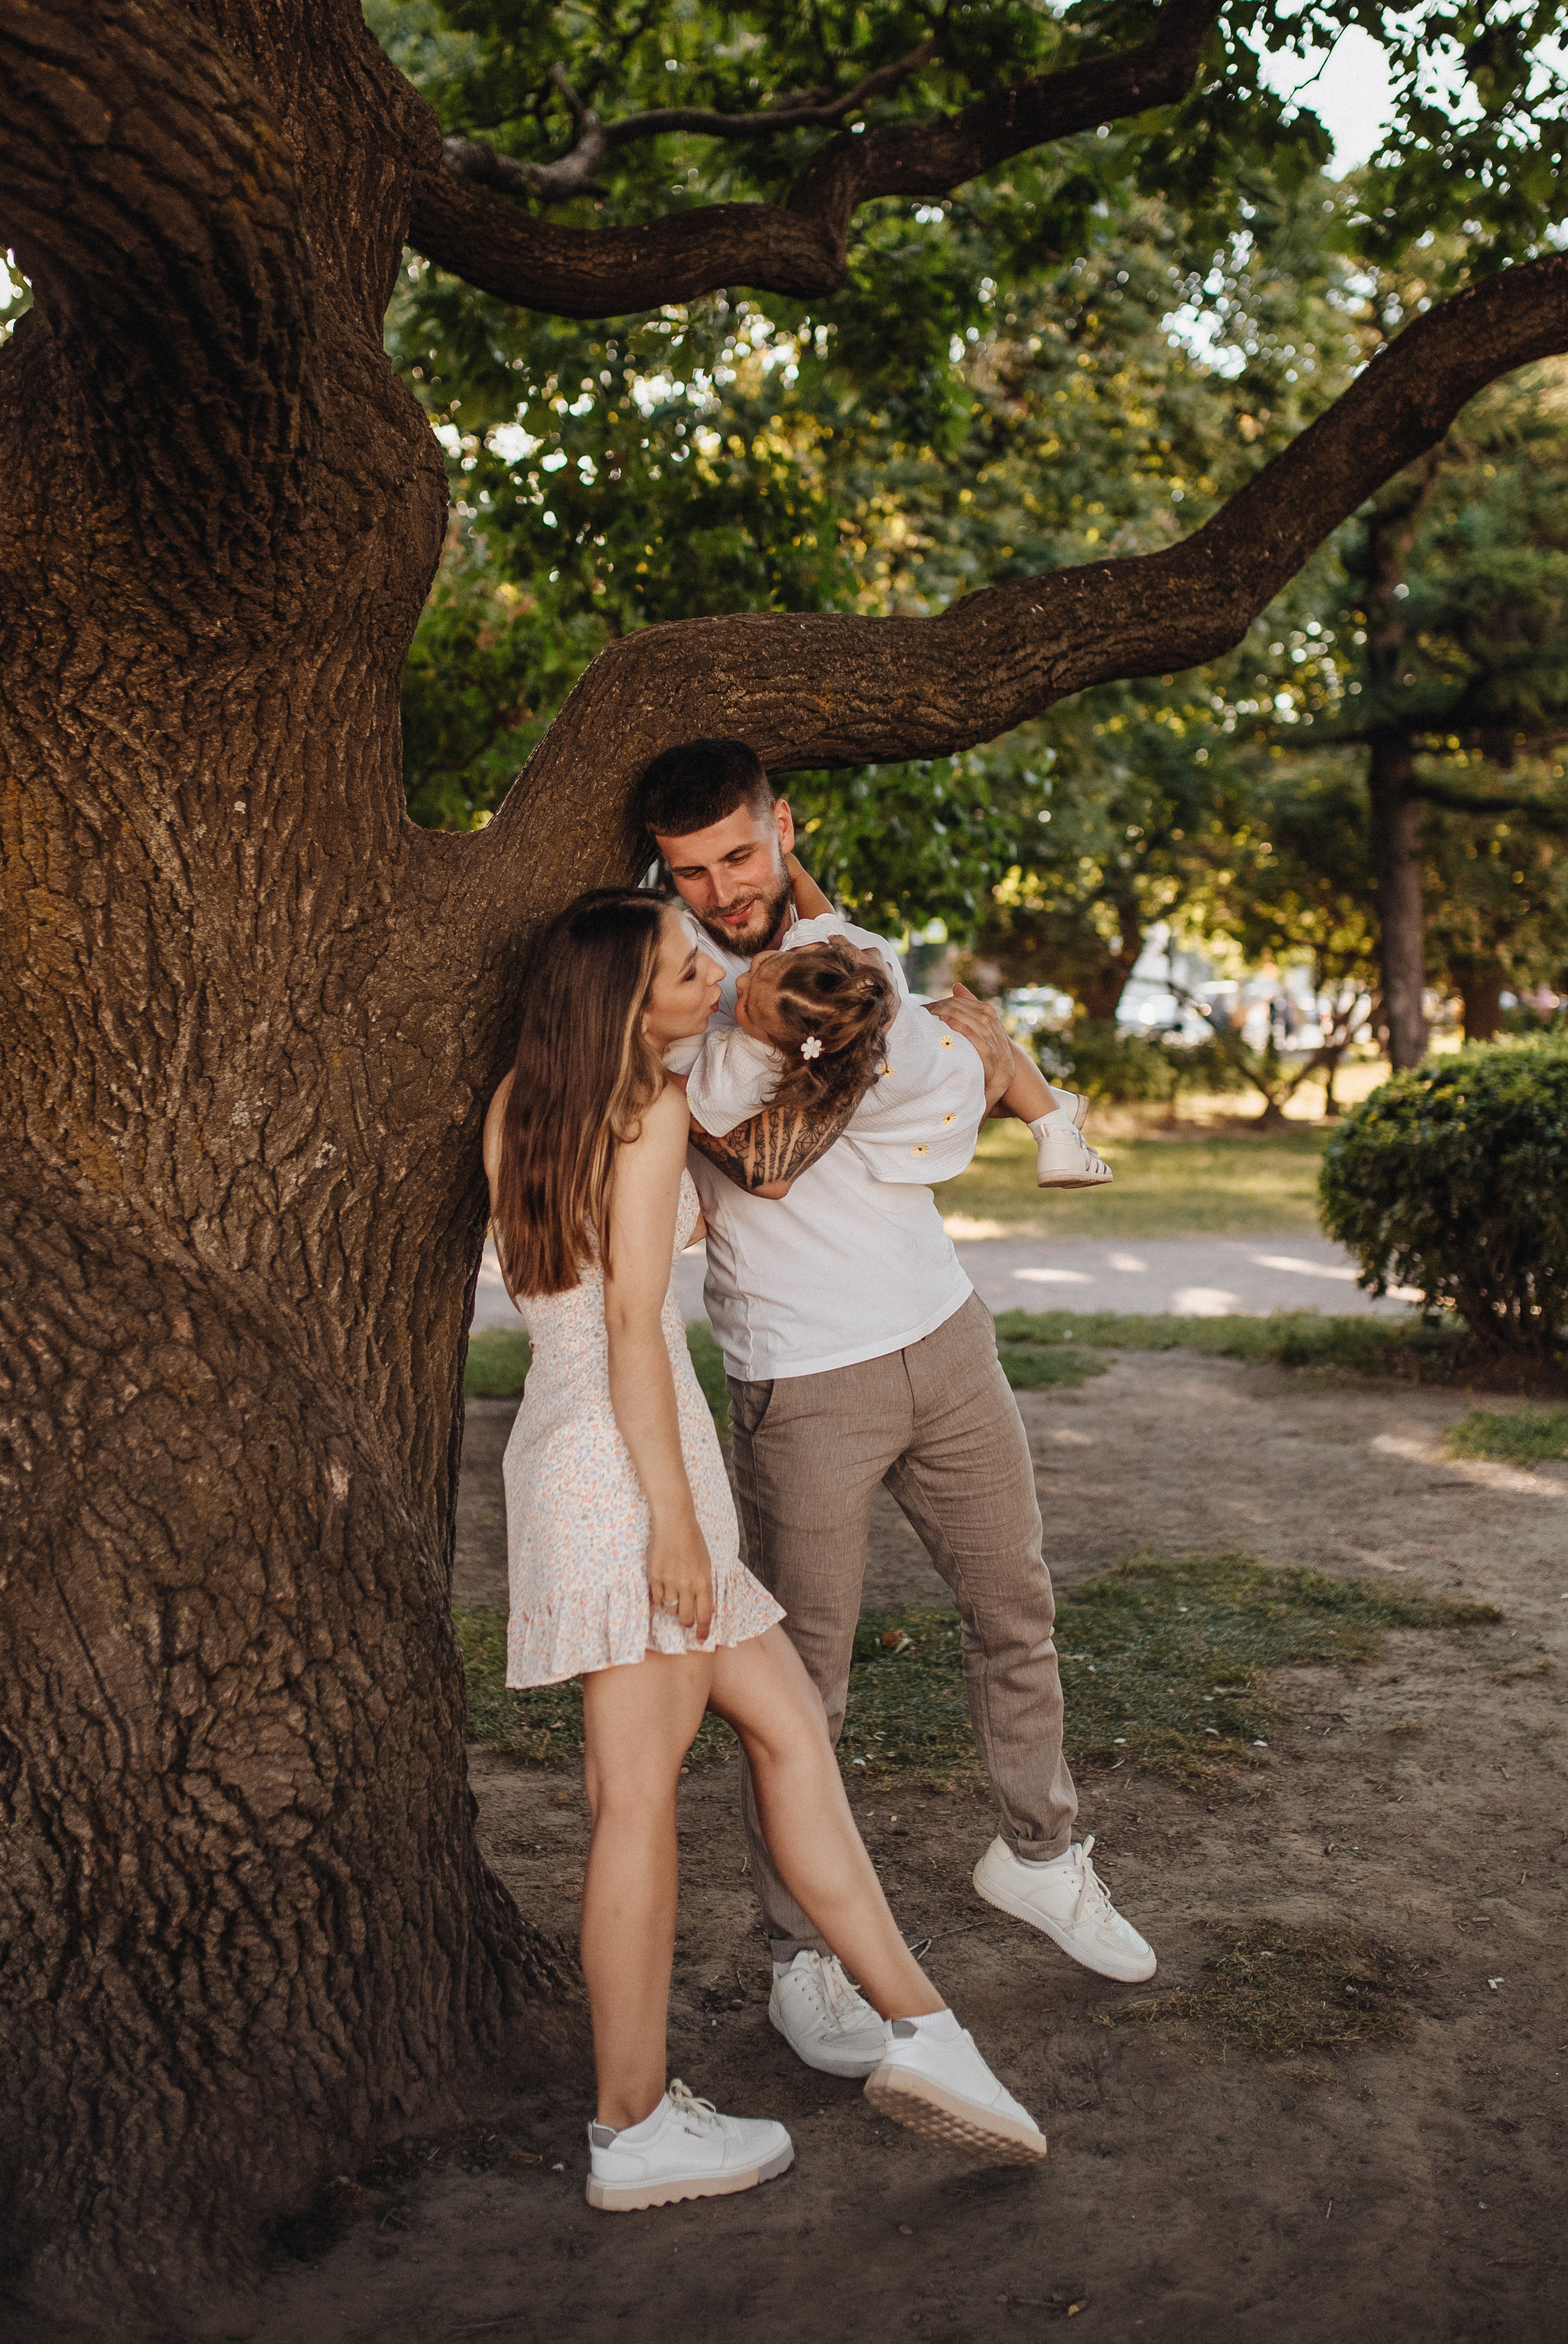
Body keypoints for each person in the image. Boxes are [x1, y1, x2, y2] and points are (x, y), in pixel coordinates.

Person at [483, 888, 1047, 2213]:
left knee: (790, 1731)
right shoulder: (649, 1114)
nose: (710, 977)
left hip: (575, 1453)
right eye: (686, 969)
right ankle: (631, 2129)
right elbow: (633, 1326)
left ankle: (929, 2036)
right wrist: (675, 1529)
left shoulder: (523, 1101)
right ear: (629, 1005)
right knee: (637, 1805)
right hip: (634, 1477)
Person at [632, 739, 1156, 2085]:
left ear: (781, 827)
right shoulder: (673, 982)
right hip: (802, 1379)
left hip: (944, 1335)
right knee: (801, 1687)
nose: (722, 887)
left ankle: (1040, 1854)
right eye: (692, 870)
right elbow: (736, 1120)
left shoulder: (851, 944)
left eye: (740, 855)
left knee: (1015, 1608)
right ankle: (799, 1956)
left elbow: (935, 1120)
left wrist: (888, 1066)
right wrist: (797, 1046)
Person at [665, 852, 1113, 1190]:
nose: (736, 983)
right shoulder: (828, 976)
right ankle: (1052, 1122)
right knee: (973, 1033)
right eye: (744, 1001)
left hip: (923, 1100)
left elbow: (699, 1099)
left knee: (967, 1035)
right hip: (943, 1056)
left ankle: (1053, 1117)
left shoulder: (755, 1055)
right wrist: (796, 874)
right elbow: (822, 917)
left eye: (756, 970)